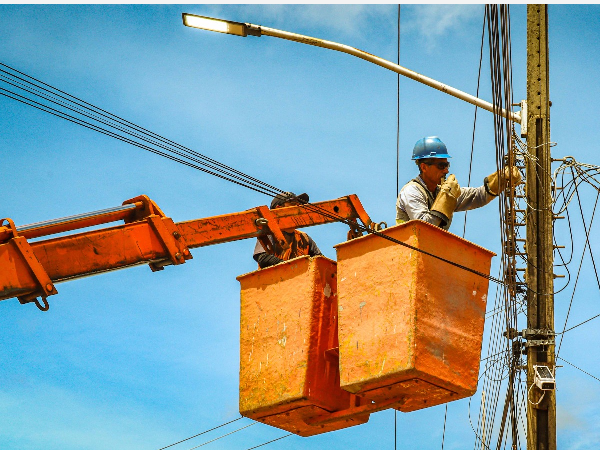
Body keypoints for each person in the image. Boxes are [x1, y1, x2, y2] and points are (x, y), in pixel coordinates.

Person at [396, 136, 521, 230]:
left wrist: (500, 180)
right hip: (410, 254)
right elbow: (424, 228)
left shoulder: (442, 191)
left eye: (447, 165)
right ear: (424, 167)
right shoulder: (412, 191)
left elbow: (478, 196)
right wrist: (446, 199)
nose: (446, 170)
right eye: (441, 165)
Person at [253, 192, 323, 268]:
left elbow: (321, 262)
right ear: (279, 208)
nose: (298, 207)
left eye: (299, 205)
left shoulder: (304, 238)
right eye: (293, 204)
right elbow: (262, 258)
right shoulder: (271, 233)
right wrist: (291, 267)